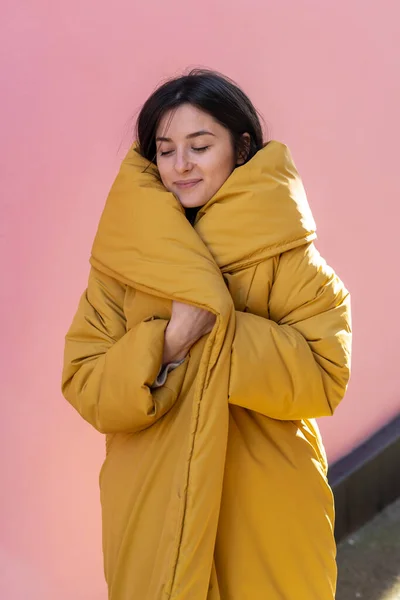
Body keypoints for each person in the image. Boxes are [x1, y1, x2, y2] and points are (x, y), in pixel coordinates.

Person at [61, 68, 352, 599]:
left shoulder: (288, 255)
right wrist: (167, 343)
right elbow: (86, 381)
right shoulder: (122, 262)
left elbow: (323, 375)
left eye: (199, 146)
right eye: (165, 149)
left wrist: (217, 330)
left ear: (241, 148)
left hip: (265, 498)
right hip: (152, 496)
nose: (181, 165)